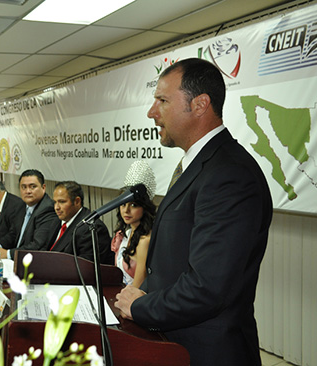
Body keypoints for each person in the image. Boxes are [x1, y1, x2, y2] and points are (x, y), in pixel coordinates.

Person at [115, 58, 273, 366]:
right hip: (176, 344)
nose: (151, 112)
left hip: (208, 353)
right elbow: (171, 265)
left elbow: (207, 287)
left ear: (200, 105)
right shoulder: (200, 166)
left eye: (162, 100)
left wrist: (141, 307)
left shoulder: (229, 175)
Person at [0, 169, 59, 260]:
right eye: (23, 187)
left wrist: (8, 253)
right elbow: (13, 234)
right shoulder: (23, 205)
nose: (28, 191)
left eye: (33, 187)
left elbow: (37, 246)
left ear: (43, 187)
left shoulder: (47, 209)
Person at [111, 160, 157, 287]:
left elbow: (138, 287)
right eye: (123, 205)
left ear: (144, 207)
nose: (126, 210)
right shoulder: (125, 234)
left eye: (133, 205)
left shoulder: (145, 240)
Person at [49, 181, 113, 264]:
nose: (56, 207)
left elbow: (85, 268)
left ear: (77, 201)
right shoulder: (56, 221)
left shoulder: (92, 228)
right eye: (55, 202)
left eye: (62, 202)